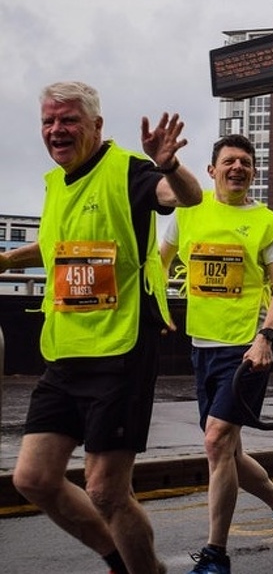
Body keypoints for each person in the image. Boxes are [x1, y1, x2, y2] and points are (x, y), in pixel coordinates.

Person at [2, 81, 203, 574]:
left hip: (119, 353)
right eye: (48, 121)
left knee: (107, 491)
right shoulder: (55, 184)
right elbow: (57, 246)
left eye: (68, 119)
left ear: (95, 125)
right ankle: (120, 560)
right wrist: (8, 257)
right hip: (64, 353)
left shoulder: (129, 171)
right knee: (33, 478)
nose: (56, 130)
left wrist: (169, 165)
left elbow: (187, 197)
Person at [159, 134, 273, 573]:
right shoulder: (188, 213)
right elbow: (159, 263)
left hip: (246, 349)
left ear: (254, 172)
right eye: (229, 161)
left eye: (246, 162)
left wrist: (265, 336)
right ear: (211, 170)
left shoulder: (266, 222)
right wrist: (157, 309)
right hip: (200, 346)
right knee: (225, 452)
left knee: (215, 441)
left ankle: (214, 555)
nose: (237, 168)